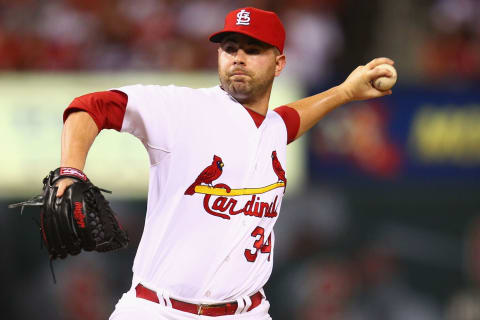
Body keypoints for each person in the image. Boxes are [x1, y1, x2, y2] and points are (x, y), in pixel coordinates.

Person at [56, 7, 394, 320]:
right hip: (158, 309)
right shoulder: (183, 109)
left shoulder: (272, 128)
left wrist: (344, 93)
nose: (239, 58)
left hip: (247, 312)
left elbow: (288, 121)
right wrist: (70, 171)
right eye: (230, 48)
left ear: (279, 64)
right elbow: (90, 106)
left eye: (253, 49)